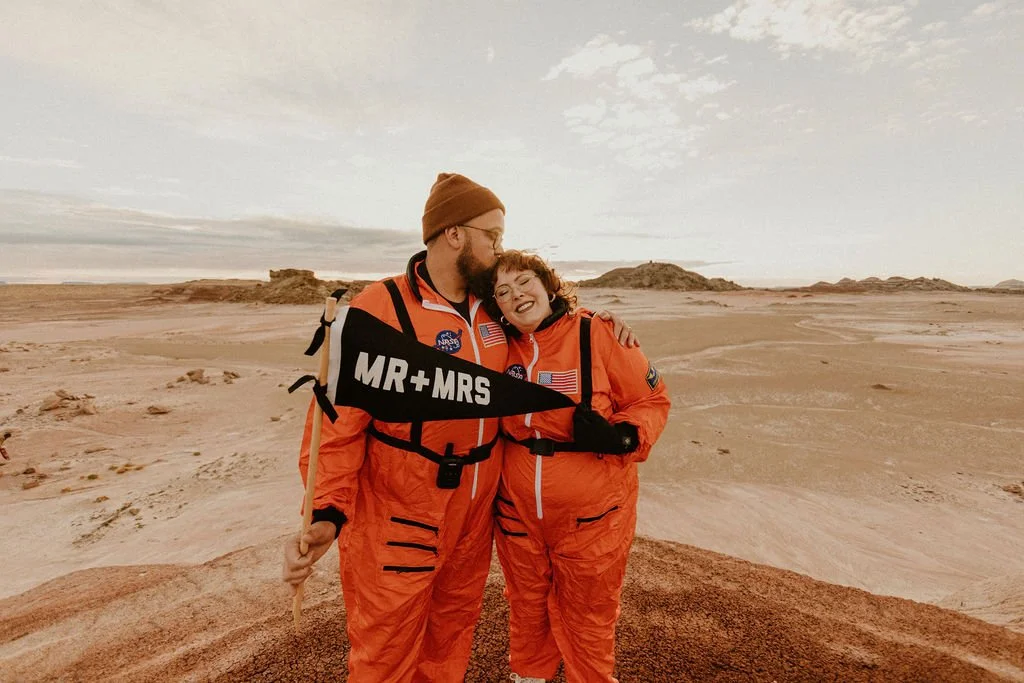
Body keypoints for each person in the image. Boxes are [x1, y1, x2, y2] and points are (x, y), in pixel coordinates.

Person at [281, 173, 637, 682]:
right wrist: (326, 511)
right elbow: (336, 422)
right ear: (454, 233)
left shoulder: (493, 309)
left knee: (450, 642)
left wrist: (603, 322)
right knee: (385, 649)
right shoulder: (381, 308)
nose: (499, 248)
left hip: (474, 516)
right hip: (399, 512)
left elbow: (552, 329)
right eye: (492, 235)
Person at [483, 250, 670, 683]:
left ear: (549, 284)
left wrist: (621, 436)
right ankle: (529, 678)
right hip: (517, 517)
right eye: (503, 291)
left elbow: (651, 400)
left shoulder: (598, 334)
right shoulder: (495, 347)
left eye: (525, 281)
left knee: (588, 614)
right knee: (526, 606)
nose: (517, 295)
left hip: (594, 517)